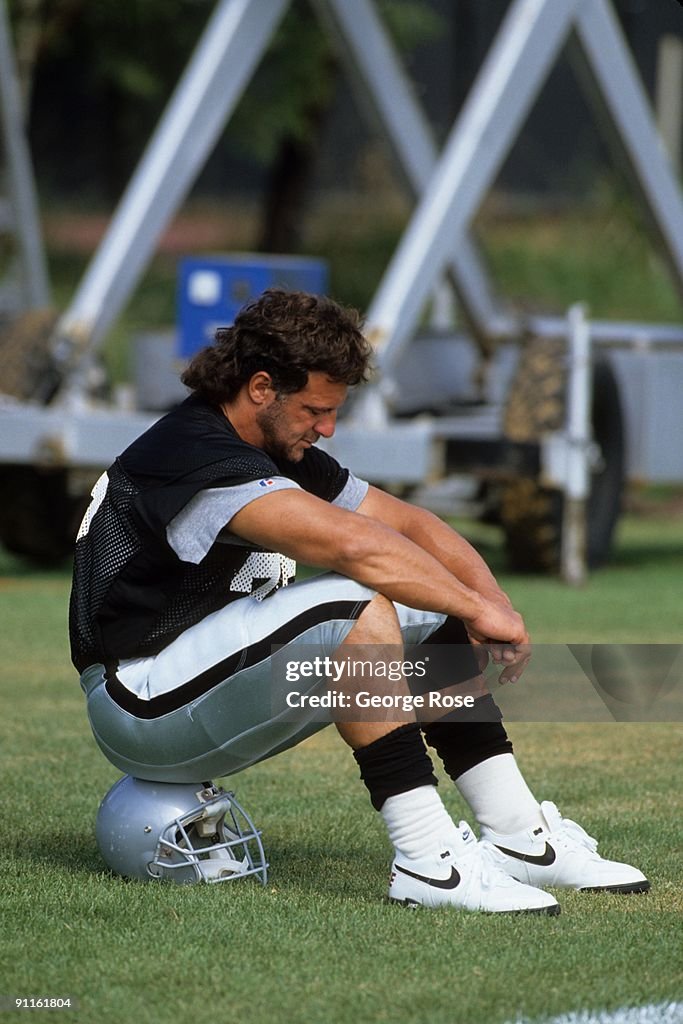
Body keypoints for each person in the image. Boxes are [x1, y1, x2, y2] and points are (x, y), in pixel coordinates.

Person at [70, 288, 648, 911]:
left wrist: (486, 600)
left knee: (432, 609)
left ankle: (520, 839)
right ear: (261, 387)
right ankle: (428, 861)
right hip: (138, 702)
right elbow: (356, 547)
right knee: (356, 602)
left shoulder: (272, 448)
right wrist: (483, 612)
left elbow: (411, 525)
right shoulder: (190, 450)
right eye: (316, 409)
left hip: (201, 682)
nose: (328, 427)